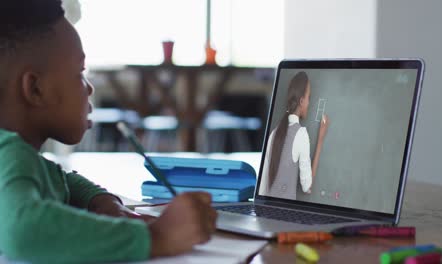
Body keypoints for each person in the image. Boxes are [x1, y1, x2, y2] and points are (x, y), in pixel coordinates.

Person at [0, 1, 217, 263]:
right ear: (35, 89)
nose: (89, 88)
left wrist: (99, 200)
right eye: (80, 73)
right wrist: (159, 237)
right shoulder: (12, 156)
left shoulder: (16, 156)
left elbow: (61, 179)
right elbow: (25, 233)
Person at [259, 71, 329, 200]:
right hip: (283, 216)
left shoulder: (274, 133)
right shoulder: (301, 134)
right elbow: (307, 186)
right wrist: (320, 139)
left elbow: (262, 188)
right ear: (302, 101)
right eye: (309, 97)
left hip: (267, 211)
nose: (309, 102)